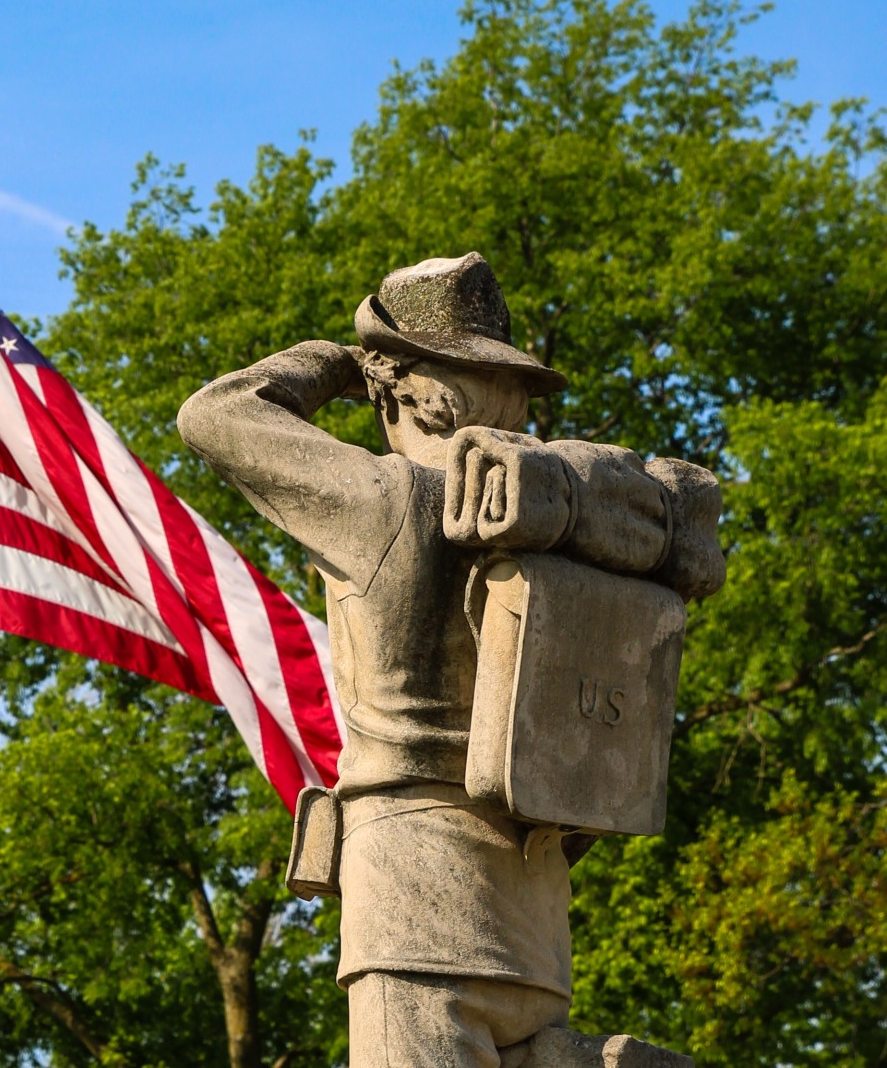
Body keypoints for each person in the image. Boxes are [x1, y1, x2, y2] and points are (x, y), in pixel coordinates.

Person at [176, 253, 721, 1067]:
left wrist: (337, 364)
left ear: (398, 384)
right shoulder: (562, 528)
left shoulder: (387, 501)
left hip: (413, 912)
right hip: (535, 921)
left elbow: (215, 415)